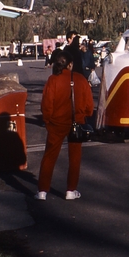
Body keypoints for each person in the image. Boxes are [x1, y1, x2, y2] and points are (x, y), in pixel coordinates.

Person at [36, 49, 93, 201]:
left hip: (56, 123)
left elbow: (46, 105)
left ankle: (42, 190)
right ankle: (71, 190)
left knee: (49, 157)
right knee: (74, 158)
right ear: (70, 64)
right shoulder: (81, 79)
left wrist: (47, 120)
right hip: (76, 122)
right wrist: (83, 115)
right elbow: (89, 107)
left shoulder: (52, 80)